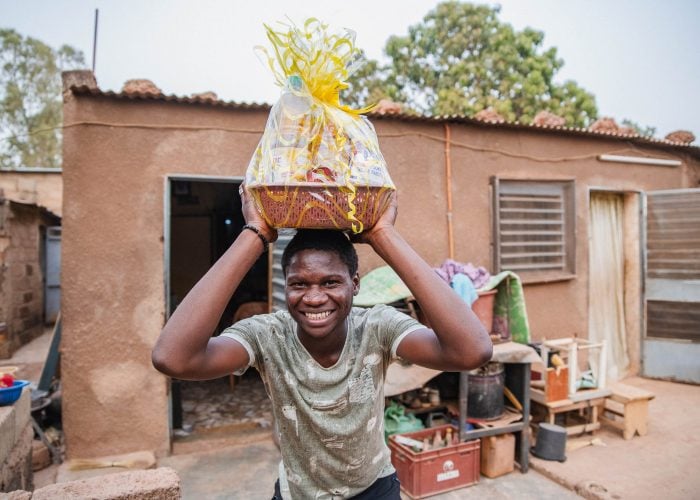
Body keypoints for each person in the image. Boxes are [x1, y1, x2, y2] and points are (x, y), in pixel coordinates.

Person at [152, 186, 493, 499]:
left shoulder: (377, 326)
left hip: (374, 489)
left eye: (331, 282)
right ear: (286, 287)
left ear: (354, 284)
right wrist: (255, 234)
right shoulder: (268, 335)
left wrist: (383, 235)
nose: (315, 298)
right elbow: (174, 359)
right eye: (300, 284)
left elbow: (471, 351)